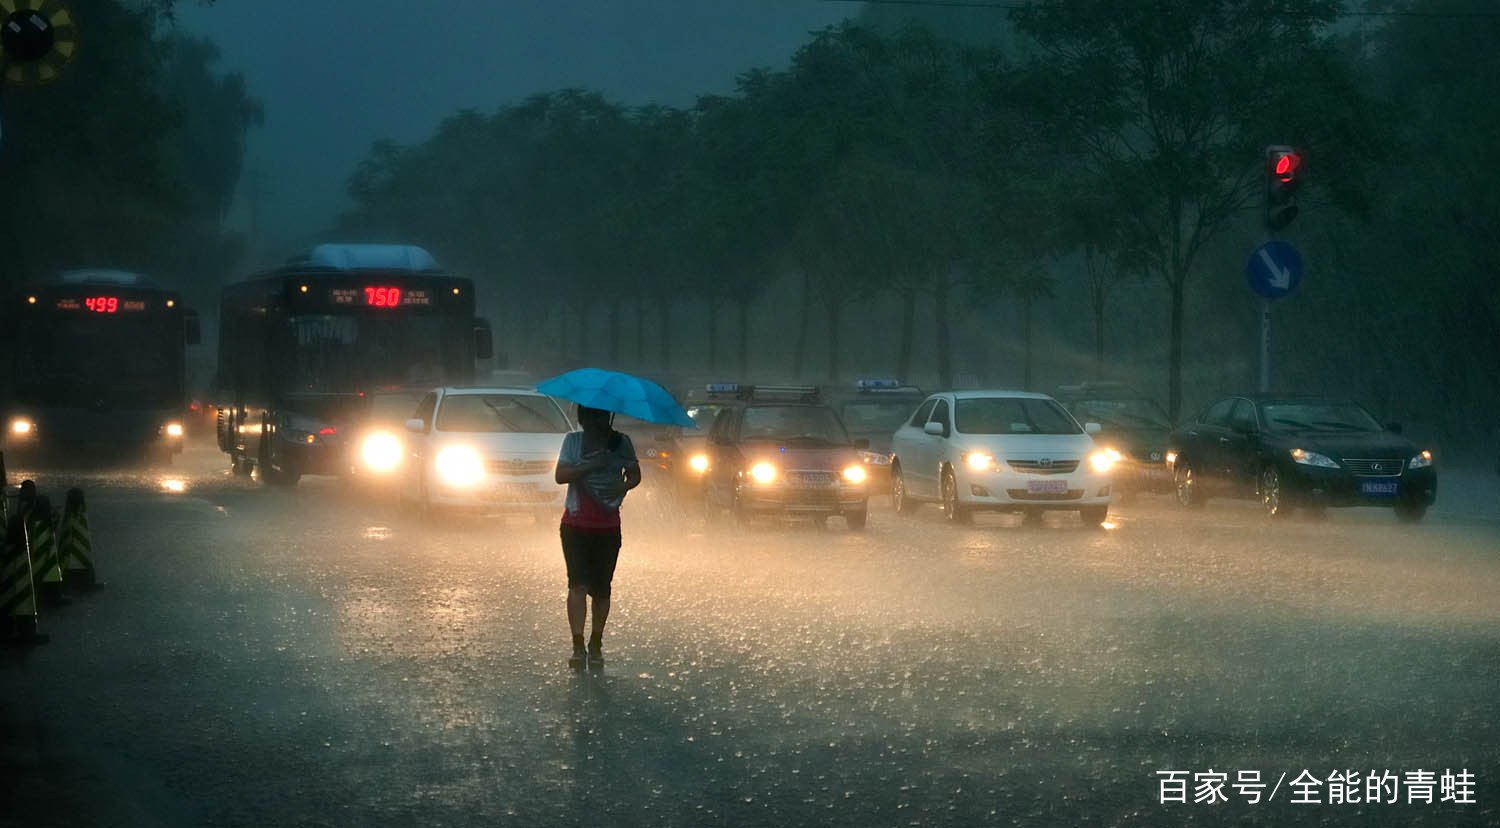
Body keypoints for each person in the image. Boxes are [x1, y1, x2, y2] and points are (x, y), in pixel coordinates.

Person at [554, 405, 641, 669]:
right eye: (589, 417)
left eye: (600, 416)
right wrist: (592, 464)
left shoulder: (621, 442)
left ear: (607, 418)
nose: (594, 422)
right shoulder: (573, 442)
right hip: (575, 524)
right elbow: (560, 476)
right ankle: (578, 645)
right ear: (582, 419)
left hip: (607, 526)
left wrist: (624, 484)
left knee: (602, 590)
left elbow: (635, 474)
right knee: (577, 585)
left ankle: (596, 642)